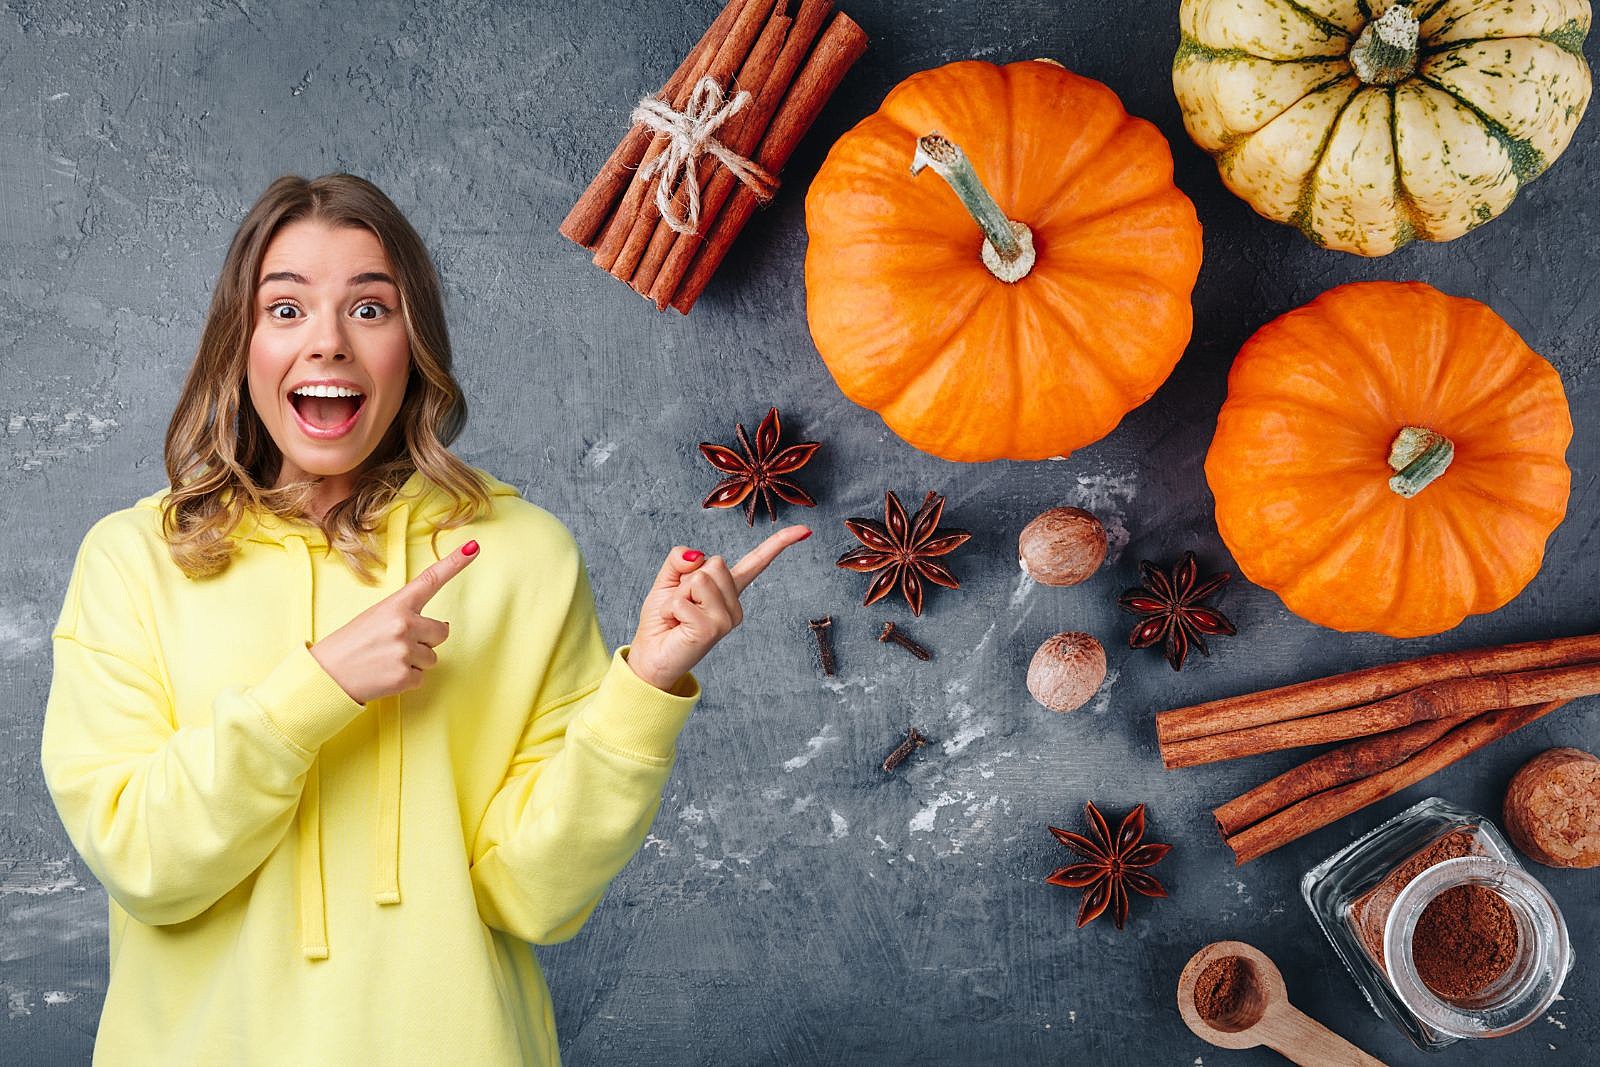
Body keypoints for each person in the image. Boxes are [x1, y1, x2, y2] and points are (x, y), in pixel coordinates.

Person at [38, 173, 810, 1065]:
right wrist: (316, 688)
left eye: (370, 309)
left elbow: (535, 896)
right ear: (238, 343)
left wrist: (644, 687)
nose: (327, 342)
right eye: (285, 310)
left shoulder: (522, 555)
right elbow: (145, 864)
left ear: (416, 345)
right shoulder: (133, 559)